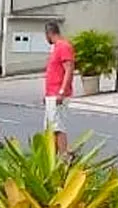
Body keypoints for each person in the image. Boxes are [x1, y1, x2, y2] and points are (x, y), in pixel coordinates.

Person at [42, 21, 75, 157]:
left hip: (58, 94)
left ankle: (63, 156)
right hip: (51, 94)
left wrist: (61, 92)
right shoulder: (56, 48)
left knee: (58, 126)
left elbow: (69, 70)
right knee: (50, 127)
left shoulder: (63, 46)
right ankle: (52, 157)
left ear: (49, 33)